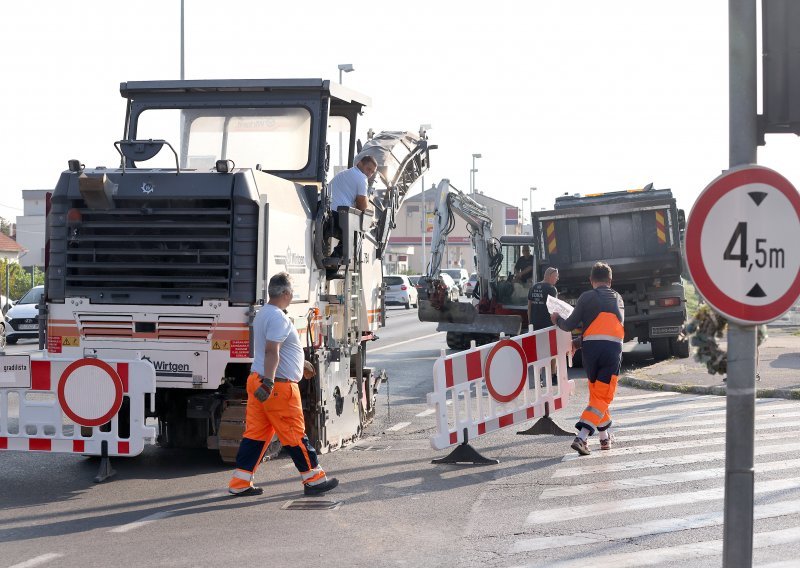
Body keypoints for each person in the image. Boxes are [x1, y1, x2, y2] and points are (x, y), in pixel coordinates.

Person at [228, 272, 338, 496]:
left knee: (255, 435)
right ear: (286, 293)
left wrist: (300, 362)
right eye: (292, 292)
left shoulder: (263, 314)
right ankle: (313, 479)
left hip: (258, 380)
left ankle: (240, 482)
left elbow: (274, 349)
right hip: (276, 387)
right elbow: (271, 351)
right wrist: (269, 383)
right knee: (294, 433)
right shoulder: (278, 317)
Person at [551, 261, 624, 456]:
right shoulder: (619, 299)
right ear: (610, 280)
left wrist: (557, 319)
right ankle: (582, 437)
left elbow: (568, 325)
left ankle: (604, 438)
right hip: (612, 351)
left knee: (597, 395)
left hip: (591, 352)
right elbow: (609, 328)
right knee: (603, 395)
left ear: (591, 280)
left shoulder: (586, 297)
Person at [327, 155, 378, 259]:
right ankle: (333, 262)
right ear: (360, 163)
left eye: (372, 172)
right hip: (338, 214)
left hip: (327, 212)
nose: (369, 174)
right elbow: (362, 206)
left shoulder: (345, 173)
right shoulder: (361, 178)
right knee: (355, 237)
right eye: (368, 169)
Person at [528, 267, 559, 385]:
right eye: (556, 276)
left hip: (535, 325)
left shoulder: (533, 287)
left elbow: (529, 307)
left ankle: (539, 377)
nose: (557, 278)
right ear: (550, 276)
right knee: (552, 350)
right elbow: (554, 308)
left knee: (538, 352)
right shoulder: (552, 289)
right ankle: (553, 376)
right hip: (548, 325)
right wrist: (557, 322)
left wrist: (531, 323)